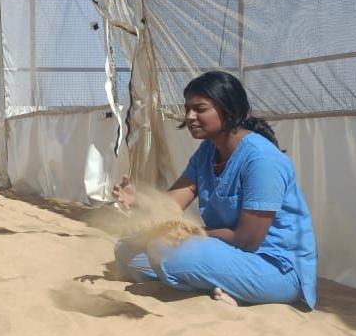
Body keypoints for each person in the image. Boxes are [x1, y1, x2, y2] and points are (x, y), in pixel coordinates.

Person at [112, 71, 317, 308]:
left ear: (228, 110)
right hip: (229, 253)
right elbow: (171, 204)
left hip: (274, 267)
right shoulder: (207, 152)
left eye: (200, 109)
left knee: (165, 250)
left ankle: (229, 287)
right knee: (126, 252)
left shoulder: (262, 160)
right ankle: (219, 284)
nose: (189, 116)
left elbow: (247, 240)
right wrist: (139, 200)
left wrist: (190, 232)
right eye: (187, 108)